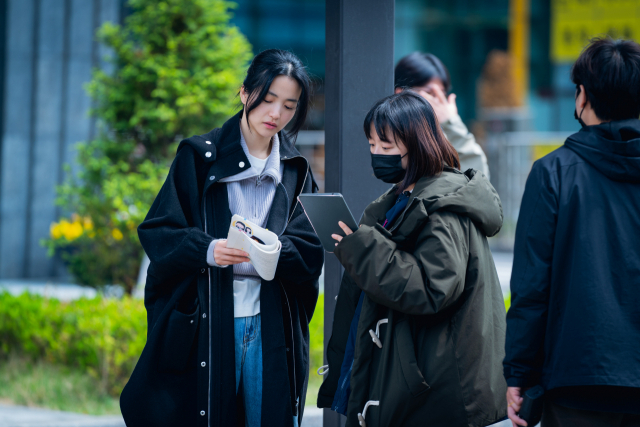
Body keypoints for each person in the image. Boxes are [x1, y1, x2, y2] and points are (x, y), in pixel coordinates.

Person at [120, 49, 324, 427]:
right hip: (209, 320)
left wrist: (277, 251)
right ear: (245, 93)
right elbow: (159, 232)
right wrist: (209, 250)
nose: (275, 114)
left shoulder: (295, 170)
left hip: (270, 323)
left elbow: (311, 251)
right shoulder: (199, 157)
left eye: (289, 106)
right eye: (267, 100)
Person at [317, 91, 507, 426]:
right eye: (372, 145)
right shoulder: (399, 199)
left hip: (430, 391)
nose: (377, 154)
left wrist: (362, 248)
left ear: (418, 143)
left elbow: (432, 288)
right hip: (405, 383)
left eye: (387, 147)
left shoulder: (443, 205)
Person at [503, 37, 640, 427]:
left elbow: (532, 286)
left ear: (581, 96)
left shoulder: (553, 172)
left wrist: (519, 373)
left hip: (576, 375)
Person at [395, 52, 490, 177]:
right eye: (430, 93)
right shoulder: (384, 132)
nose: (438, 102)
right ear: (401, 93)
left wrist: (451, 123)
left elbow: (479, 180)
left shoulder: (442, 134)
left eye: (442, 94)